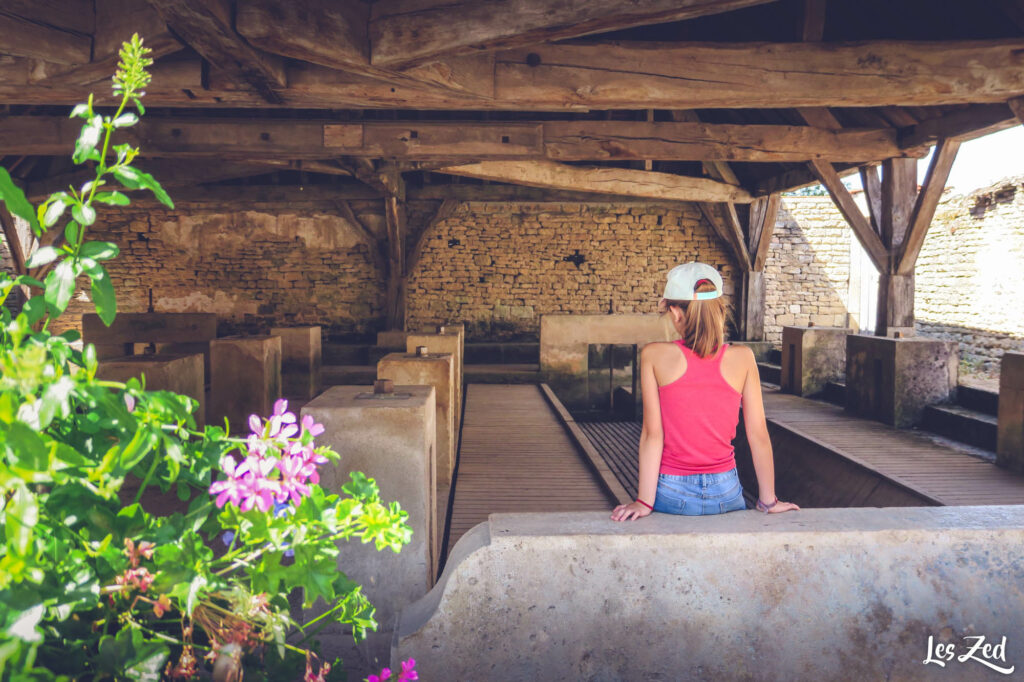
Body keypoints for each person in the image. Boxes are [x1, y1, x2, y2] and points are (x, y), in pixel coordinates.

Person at [611, 262, 799, 521]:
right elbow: (758, 435)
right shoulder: (744, 358)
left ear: (676, 313)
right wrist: (769, 500)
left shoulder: (653, 355)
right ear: (719, 309)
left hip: (671, 488)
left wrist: (644, 501)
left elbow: (652, 435)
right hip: (726, 490)